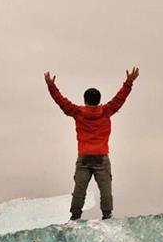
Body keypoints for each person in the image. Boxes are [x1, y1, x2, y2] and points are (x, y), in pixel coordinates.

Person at [44, 67, 139, 220]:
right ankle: (107, 216)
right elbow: (119, 99)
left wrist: (51, 86)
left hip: (84, 158)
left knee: (79, 190)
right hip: (101, 157)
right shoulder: (106, 111)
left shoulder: (78, 112)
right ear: (99, 100)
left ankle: (75, 217)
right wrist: (129, 82)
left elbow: (61, 102)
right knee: (105, 190)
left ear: (85, 100)